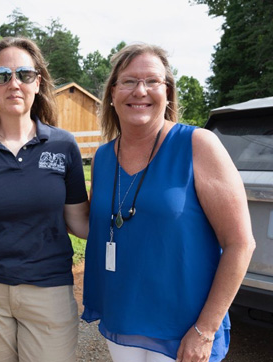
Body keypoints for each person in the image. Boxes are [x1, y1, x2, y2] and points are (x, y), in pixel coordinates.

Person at [81, 43, 255, 362]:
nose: (140, 90)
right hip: (124, 320)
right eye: (129, 81)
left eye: (152, 81)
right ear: (112, 93)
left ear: (168, 92)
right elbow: (92, 222)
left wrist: (205, 330)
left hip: (184, 329)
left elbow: (240, 244)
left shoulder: (198, 145)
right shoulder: (103, 157)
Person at [0, 37, 90, 362]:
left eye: (24, 74)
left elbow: (80, 221)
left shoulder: (63, 146)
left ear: (38, 82)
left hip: (49, 290)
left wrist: (133, 216)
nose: (14, 84)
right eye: (1, 75)